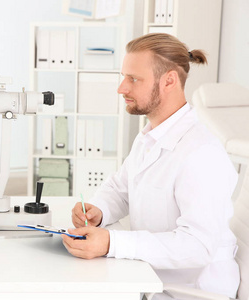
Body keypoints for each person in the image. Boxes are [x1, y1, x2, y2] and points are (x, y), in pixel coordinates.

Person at [62, 33, 240, 299]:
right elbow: (121, 188)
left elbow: (197, 245)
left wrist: (112, 242)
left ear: (169, 80)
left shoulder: (201, 153)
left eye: (133, 79)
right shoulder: (151, 135)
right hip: (152, 277)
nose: (121, 88)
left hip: (191, 291)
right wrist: (99, 209)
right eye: (124, 77)